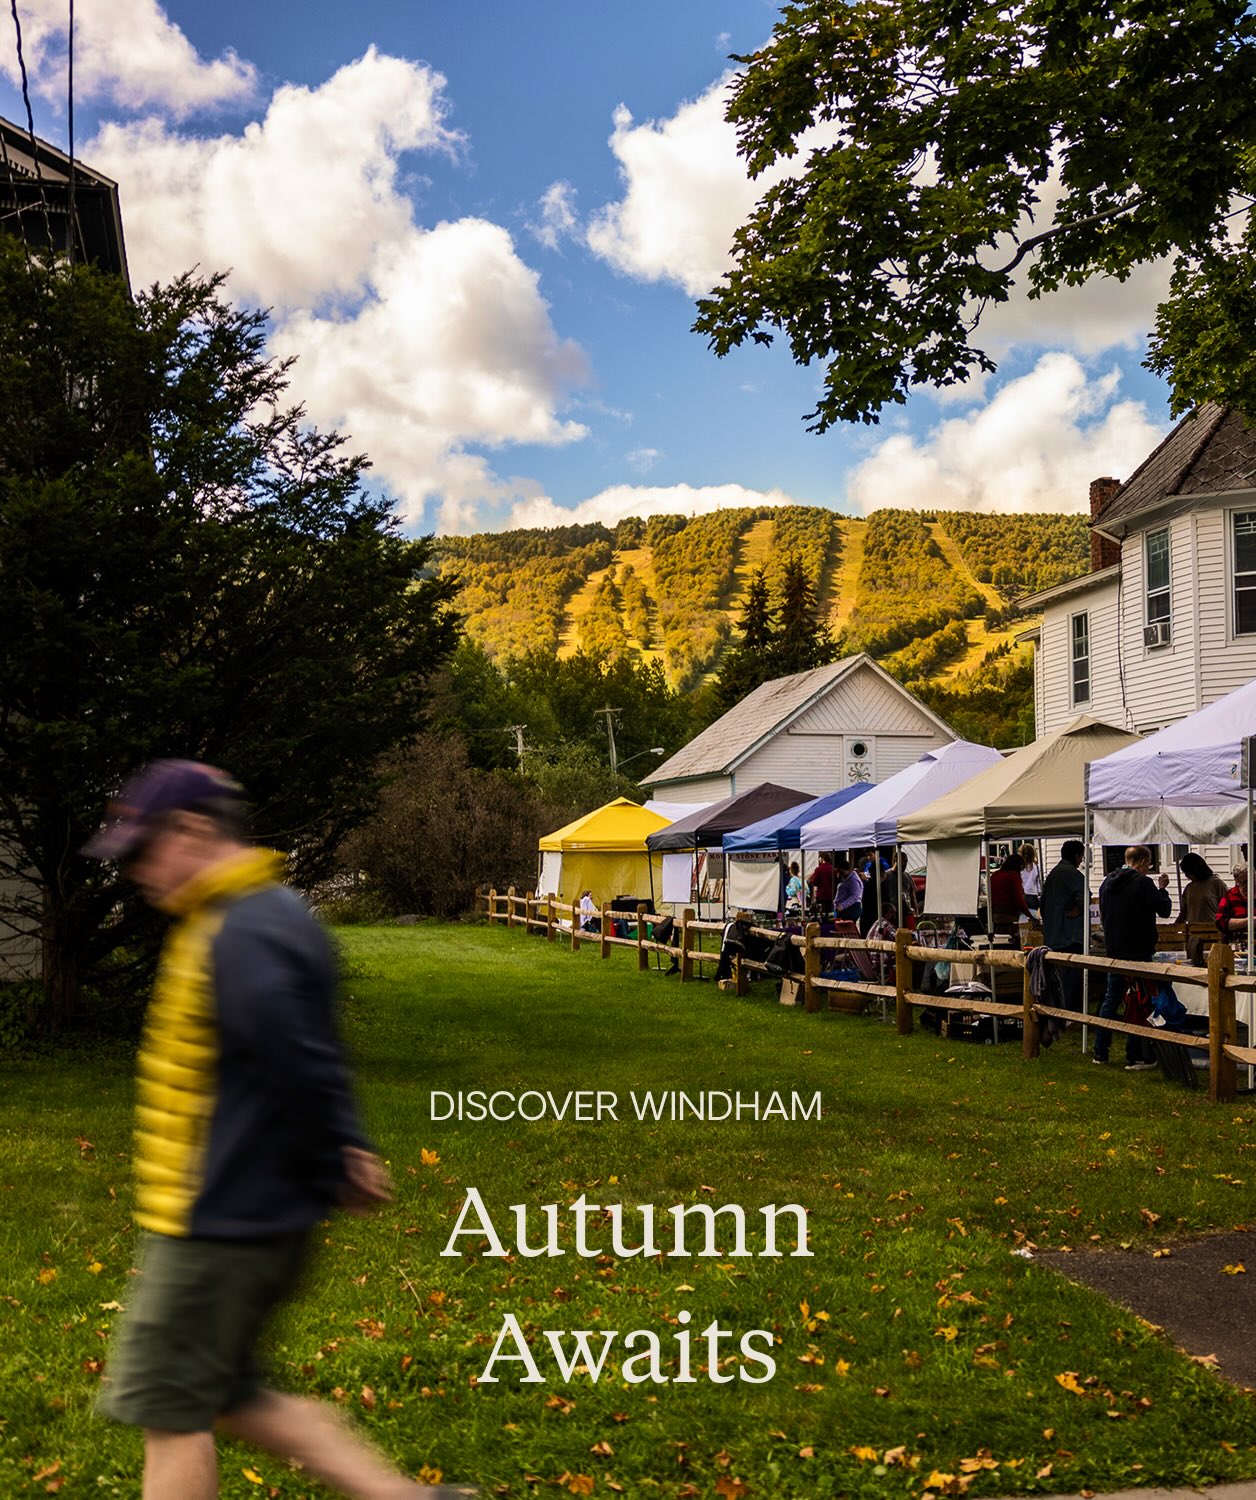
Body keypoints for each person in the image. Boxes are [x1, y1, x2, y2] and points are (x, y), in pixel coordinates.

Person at [83, 760, 469, 1500]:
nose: (135, 872)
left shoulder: (239, 928)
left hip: (217, 1215)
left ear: (192, 830)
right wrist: (344, 1146)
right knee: (231, 1394)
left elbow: (291, 1056)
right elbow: (316, 1048)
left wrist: (332, 1154)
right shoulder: (270, 912)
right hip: (253, 1210)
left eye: (143, 851)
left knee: (172, 1409)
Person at [1094, 844, 1171, 1069]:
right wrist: (1162, 889)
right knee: (1139, 1000)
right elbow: (1164, 910)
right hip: (1138, 950)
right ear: (1144, 862)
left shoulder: (1106, 883)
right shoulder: (1142, 883)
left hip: (1115, 949)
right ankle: (1135, 1055)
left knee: (1111, 999)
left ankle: (1100, 1051)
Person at [1041, 840, 1087, 1013]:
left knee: (1056, 979)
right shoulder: (1071, 873)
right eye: (1081, 857)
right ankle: (1067, 1014)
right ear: (1076, 856)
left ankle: (1056, 1011)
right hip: (1069, 936)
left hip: (1053, 936)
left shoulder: (1053, 874)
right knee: (1069, 980)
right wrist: (1078, 909)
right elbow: (1085, 896)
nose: (1081, 861)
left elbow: (1042, 905)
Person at [1178, 852, 1228, 963]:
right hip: (1194, 936)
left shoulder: (1216, 884)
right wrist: (1174, 929)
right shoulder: (1189, 888)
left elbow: (1227, 909)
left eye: (1188, 872)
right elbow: (1184, 914)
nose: (1187, 876)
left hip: (1213, 933)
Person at [988, 852, 1030, 934]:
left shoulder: (995, 875)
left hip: (994, 915)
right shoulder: (1013, 876)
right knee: (1011, 938)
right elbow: (1019, 899)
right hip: (1009, 915)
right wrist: (1029, 915)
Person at [1217, 862, 1250, 943]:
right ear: (1237, 881)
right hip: (1237, 943)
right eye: (1245, 882)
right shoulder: (1229, 896)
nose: (1250, 884)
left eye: (1253, 880)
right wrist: (1247, 922)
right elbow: (1220, 922)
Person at [833, 857, 864, 927]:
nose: (840, 874)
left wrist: (842, 906)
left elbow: (854, 896)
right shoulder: (846, 878)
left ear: (848, 869)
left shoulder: (853, 880)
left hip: (850, 909)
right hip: (844, 909)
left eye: (841, 872)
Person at [1019, 842, 1042, 914]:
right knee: (1033, 917)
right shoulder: (1036, 867)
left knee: (1021, 918)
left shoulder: (1019, 867)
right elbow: (1039, 884)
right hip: (1032, 896)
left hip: (1021, 895)